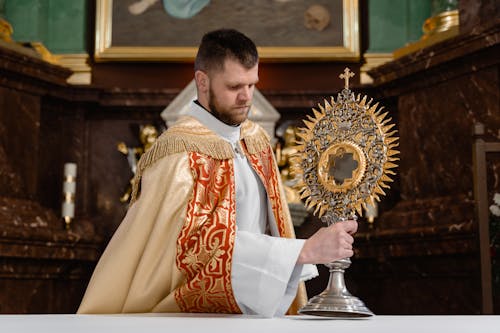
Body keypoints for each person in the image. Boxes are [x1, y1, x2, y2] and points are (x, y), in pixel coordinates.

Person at [77, 28, 357, 317]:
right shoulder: (177, 152)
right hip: (190, 317)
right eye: (235, 87)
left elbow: (273, 229)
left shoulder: (256, 139)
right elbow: (194, 249)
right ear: (202, 81)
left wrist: (293, 255)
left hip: (253, 307)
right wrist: (302, 252)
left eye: (252, 85)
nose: (246, 97)